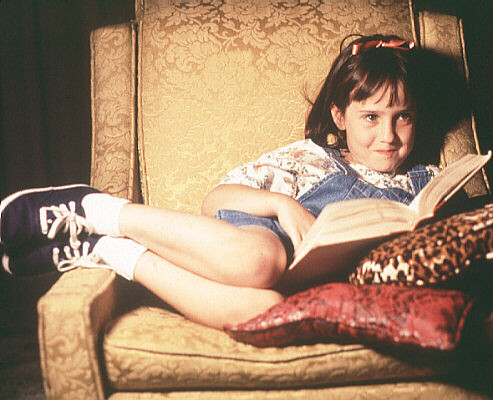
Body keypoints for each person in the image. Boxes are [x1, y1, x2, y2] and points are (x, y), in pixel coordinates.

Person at [0, 34, 441, 329]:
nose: (388, 135)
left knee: (267, 311)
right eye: (371, 117)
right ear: (339, 117)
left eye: (402, 117)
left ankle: (106, 250)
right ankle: (97, 210)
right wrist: (282, 205)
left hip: (304, 288)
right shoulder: (309, 159)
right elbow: (215, 200)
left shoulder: (426, 181)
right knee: (261, 262)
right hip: (258, 245)